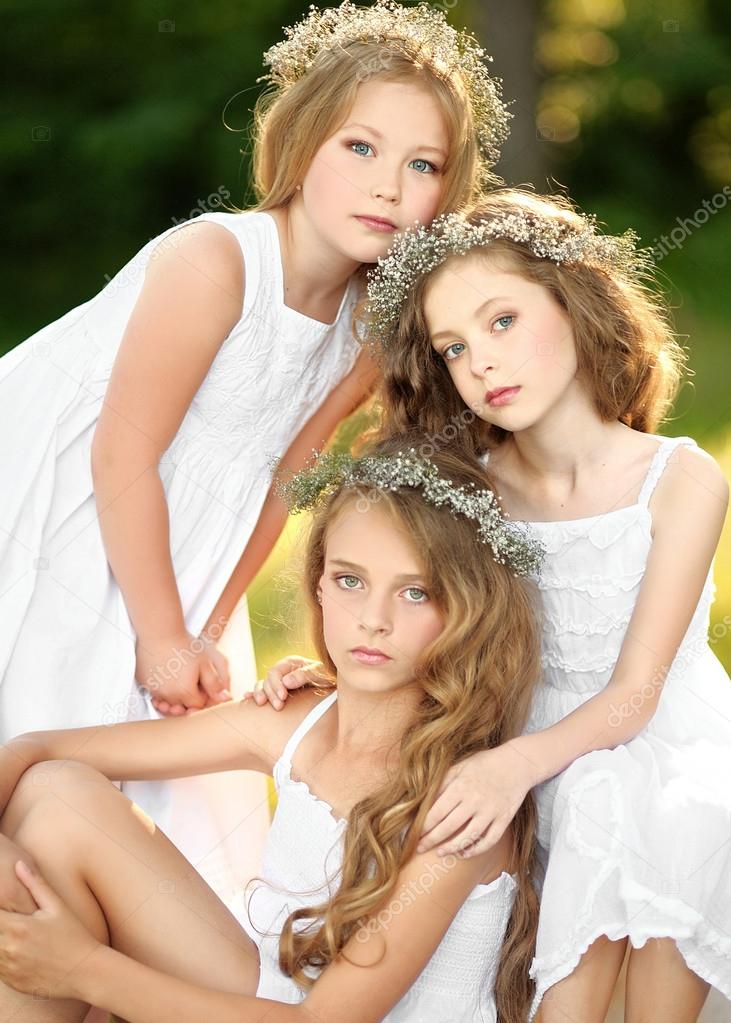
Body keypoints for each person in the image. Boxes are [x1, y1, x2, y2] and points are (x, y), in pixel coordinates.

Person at [0, 0, 509, 906]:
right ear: (301, 143)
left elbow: (286, 478)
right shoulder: (218, 260)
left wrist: (203, 624)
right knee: (44, 718)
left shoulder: (366, 326)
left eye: (420, 165)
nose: (387, 186)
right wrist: (159, 634)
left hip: (185, 552)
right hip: (64, 516)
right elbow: (120, 453)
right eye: (359, 148)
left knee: (155, 795)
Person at [0, 437, 543, 1023]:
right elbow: (41, 749)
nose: (373, 621)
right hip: (269, 997)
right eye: (350, 580)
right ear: (318, 584)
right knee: (53, 794)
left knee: (47, 851)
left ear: (466, 609)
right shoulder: (296, 716)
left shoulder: (465, 804)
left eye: (415, 593)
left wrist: (82, 969)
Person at [357, 189, 730, 1021]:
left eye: (501, 321)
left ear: (574, 301)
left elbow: (636, 695)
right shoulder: (471, 491)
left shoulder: (678, 480)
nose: (481, 362)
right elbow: (417, 617)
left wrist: (516, 764)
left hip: (653, 740)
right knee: (592, 800)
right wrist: (344, 665)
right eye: (453, 347)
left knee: (643, 803)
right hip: (519, 742)